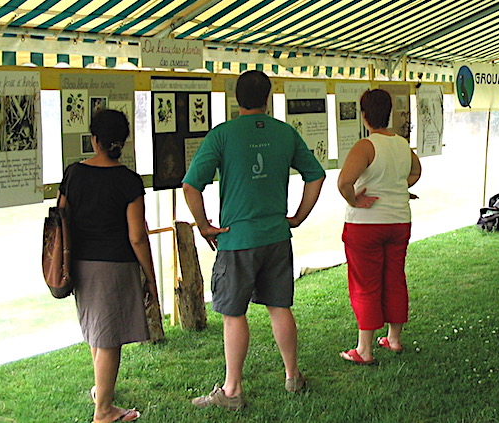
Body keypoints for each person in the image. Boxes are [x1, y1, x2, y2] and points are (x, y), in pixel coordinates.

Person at [182, 70, 325, 410]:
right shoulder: (284, 133)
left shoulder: (223, 135)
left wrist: (204, 225)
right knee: (280, 306)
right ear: (268, 97)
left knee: (233, 314)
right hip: (276, 234)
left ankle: (232, 391)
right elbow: (316, 176)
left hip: (236, 238)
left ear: (236, 98)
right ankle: (293, 376)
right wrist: (298, 216)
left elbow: (191, 185)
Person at [58, 109, 157, 423]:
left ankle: (101, 392)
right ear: (122, 143)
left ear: (94, 140)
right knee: (109, 338)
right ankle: (104, 410)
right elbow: (137, 236)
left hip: (79, 265)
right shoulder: (128, 180)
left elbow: (61, 220)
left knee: (97, 332)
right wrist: (151, 276)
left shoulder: (73, 173)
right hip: (115, 265)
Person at [337, 89, 422, 365]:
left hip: (367, 224)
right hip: (399, 221)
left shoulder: (365, 146)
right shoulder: (402, 144)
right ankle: (393, 339)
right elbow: (416, 171)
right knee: (395, 277)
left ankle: (364, 349)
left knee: (366, 282)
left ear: (364, 116)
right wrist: (398, 188)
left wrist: (355, 200)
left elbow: (344, 183)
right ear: (389, 114)